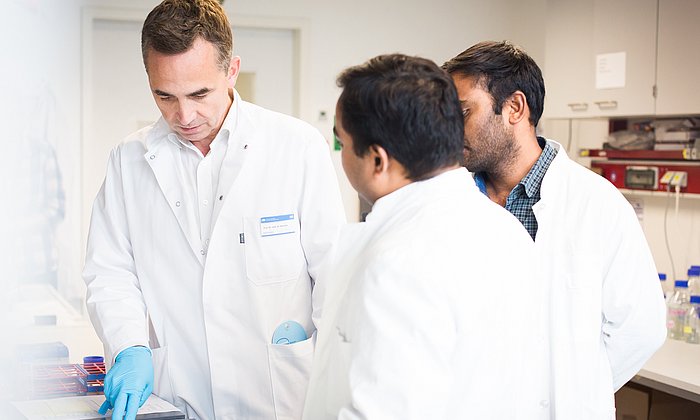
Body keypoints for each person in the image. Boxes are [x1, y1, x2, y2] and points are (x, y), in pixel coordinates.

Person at [83, 0, 345, 419]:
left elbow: (334, 277)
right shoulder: (128, 160)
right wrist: (129, 346)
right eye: (163, 95)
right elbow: (110, 270)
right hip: (180, 396)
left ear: (232, 70)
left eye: (199, 93)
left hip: (282, 399)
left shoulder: (295, 147)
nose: (183, 115)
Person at [302, 54, 543, 419]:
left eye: (344, 144)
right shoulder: (505, 229)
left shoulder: (399, 259)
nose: (342, 157)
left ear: (377, 161)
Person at [443, 40, 667, 419]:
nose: (450, 130)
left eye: (463, 112)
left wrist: (574, 388)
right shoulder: (450, 201)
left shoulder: (596, 204)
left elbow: (641, 328)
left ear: (515, 107)